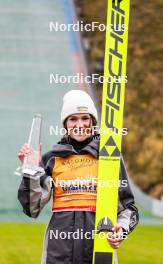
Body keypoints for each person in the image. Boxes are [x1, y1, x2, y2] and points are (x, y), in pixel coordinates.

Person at [18, 90, 139, 264]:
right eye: (73, 119)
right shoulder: (52, 158)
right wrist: (30, 170)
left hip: (99, 254)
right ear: (65, 124)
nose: (80, 124)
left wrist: (122, 231)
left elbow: (129, 209)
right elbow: (32, 208)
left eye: (85, 118)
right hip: (57, 254)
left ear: (93, 122)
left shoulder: (109, 158)